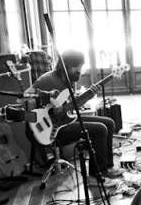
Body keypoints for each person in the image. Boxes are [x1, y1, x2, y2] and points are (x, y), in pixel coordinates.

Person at [25, 49, 123, 180]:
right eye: (75, 67)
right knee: (100, 129)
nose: (79, 70)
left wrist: (89, 95)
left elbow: (71, 107)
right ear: (64, 66)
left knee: (109, 123)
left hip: (63, 121)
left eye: (80, 67)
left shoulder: (69, 80)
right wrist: (50, 101)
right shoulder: (48, 79)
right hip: (48, 128)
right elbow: (24, 97)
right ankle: (96, 175)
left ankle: (107, 166)